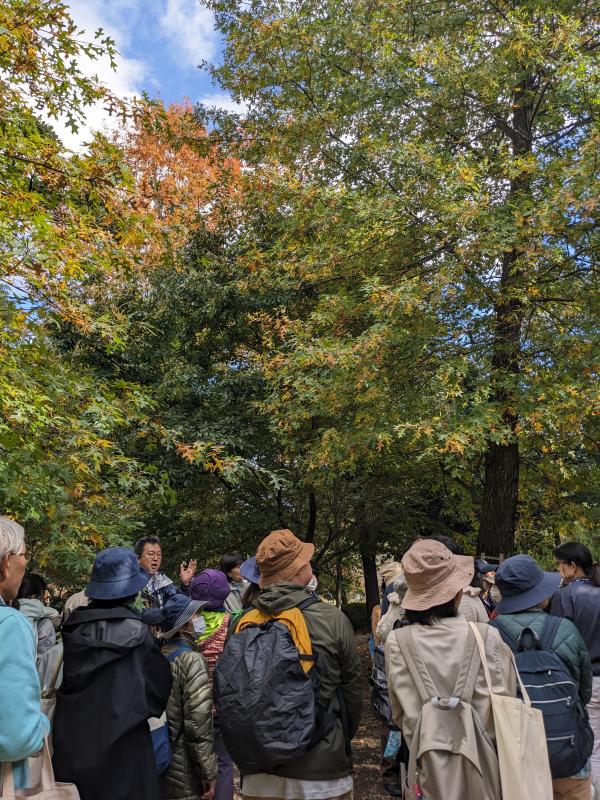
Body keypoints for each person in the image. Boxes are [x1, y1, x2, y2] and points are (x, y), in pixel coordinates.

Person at [234, 528, 363, 800]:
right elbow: (352, 692)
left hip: (259, 771)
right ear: (299, 570)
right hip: (322, 771)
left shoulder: (242, 622)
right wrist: (339, 738)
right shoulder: (331, 619)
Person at [385, 539, 516, 800]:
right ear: (456, 593)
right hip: (484, 770)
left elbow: (398, 714)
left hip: (426, 771)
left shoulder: (397, 642)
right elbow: (506, 702)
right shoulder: (486, 636)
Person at [52, 546, 172, 800]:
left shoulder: (72, 632)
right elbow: (158, 695)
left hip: (73, 749)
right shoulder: (140, 636)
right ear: (132, 591)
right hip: (127, 753)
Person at [494, 554, 593, 800]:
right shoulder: (565, 629)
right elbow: (584, 691)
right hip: (568, 753)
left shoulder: (489, 634)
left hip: (514, 756)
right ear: (539, 594)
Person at [0, 516, 50, 791]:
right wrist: (41, 725)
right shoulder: (9, 624)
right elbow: (17, 737)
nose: (25, 563)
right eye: (24, 555)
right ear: (6, 562)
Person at [551, 542, 600, 794]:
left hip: (586, 679)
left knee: (592, 743)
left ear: (572, 566)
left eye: (559, 565)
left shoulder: (565, 595)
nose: (558, 570)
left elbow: (558, 640)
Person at [158, 594, 218, 800]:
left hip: (162, 755)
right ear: (184, 626)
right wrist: (207, 771)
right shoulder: (192, 660)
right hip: (185, 765)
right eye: (197, 615)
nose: (201, 619)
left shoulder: (160, 653)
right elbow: (198, 724)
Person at [190, 568, 235, 800]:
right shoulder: (232, 623)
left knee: (195, 763)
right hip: (222, 706)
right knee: (224, 762)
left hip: (193, 708)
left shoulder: (187, 625)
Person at [135, 535, 196, 623]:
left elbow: (176, 604)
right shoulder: (129, 583)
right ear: (138, 558)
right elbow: (133, 612)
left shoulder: (164, 582)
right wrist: (163, 614)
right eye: (151, 554)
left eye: (159, 555)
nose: (156, 558)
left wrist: (184, 585)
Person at [16, 573, 60, 657]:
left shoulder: (10, 604)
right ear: (33, 595)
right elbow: (55, 614)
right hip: (28, 656)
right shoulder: (34, 605)